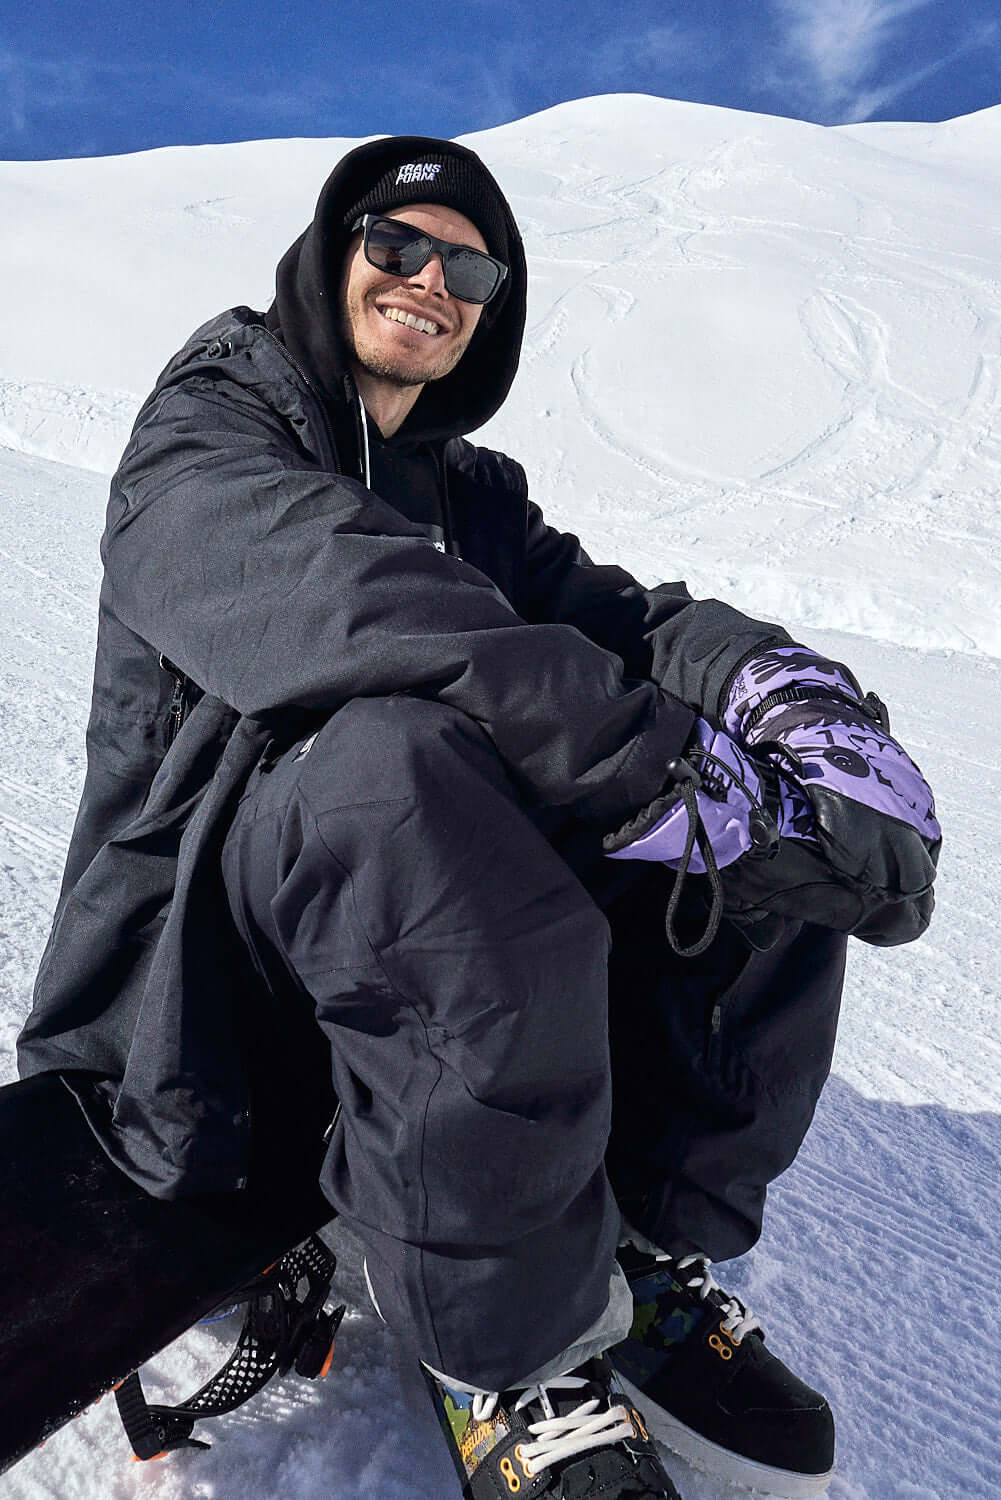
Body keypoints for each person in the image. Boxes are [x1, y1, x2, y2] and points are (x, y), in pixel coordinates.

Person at [18, 136, 940, 1500]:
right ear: (332, 257)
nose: (428, 281)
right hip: (205, 995)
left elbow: (624, 621)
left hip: (402, 942)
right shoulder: (211, 431)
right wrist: (663, 770)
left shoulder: (465, 495)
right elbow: (353, 601)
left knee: (759, 833)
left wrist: (774, 692)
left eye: (468, 266)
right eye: (396, 245)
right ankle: (510, 1354)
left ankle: (622, 1240)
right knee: (398, 758)